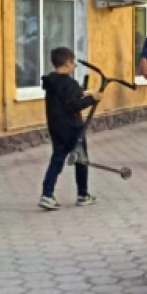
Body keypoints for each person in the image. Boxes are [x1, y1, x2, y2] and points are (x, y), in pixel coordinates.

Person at [39, 47, 102, 210]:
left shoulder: (51, 81)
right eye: (73, 63)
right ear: (67, 63)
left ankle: (47, 194)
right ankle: (83, 194)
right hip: (73, 127)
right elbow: (72, 105)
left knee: (57, 159)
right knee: (81, 158)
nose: (74, 66)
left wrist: (82, 92)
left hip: (56, 126)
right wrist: (92, 99)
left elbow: (64, 97)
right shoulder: (69, 83)